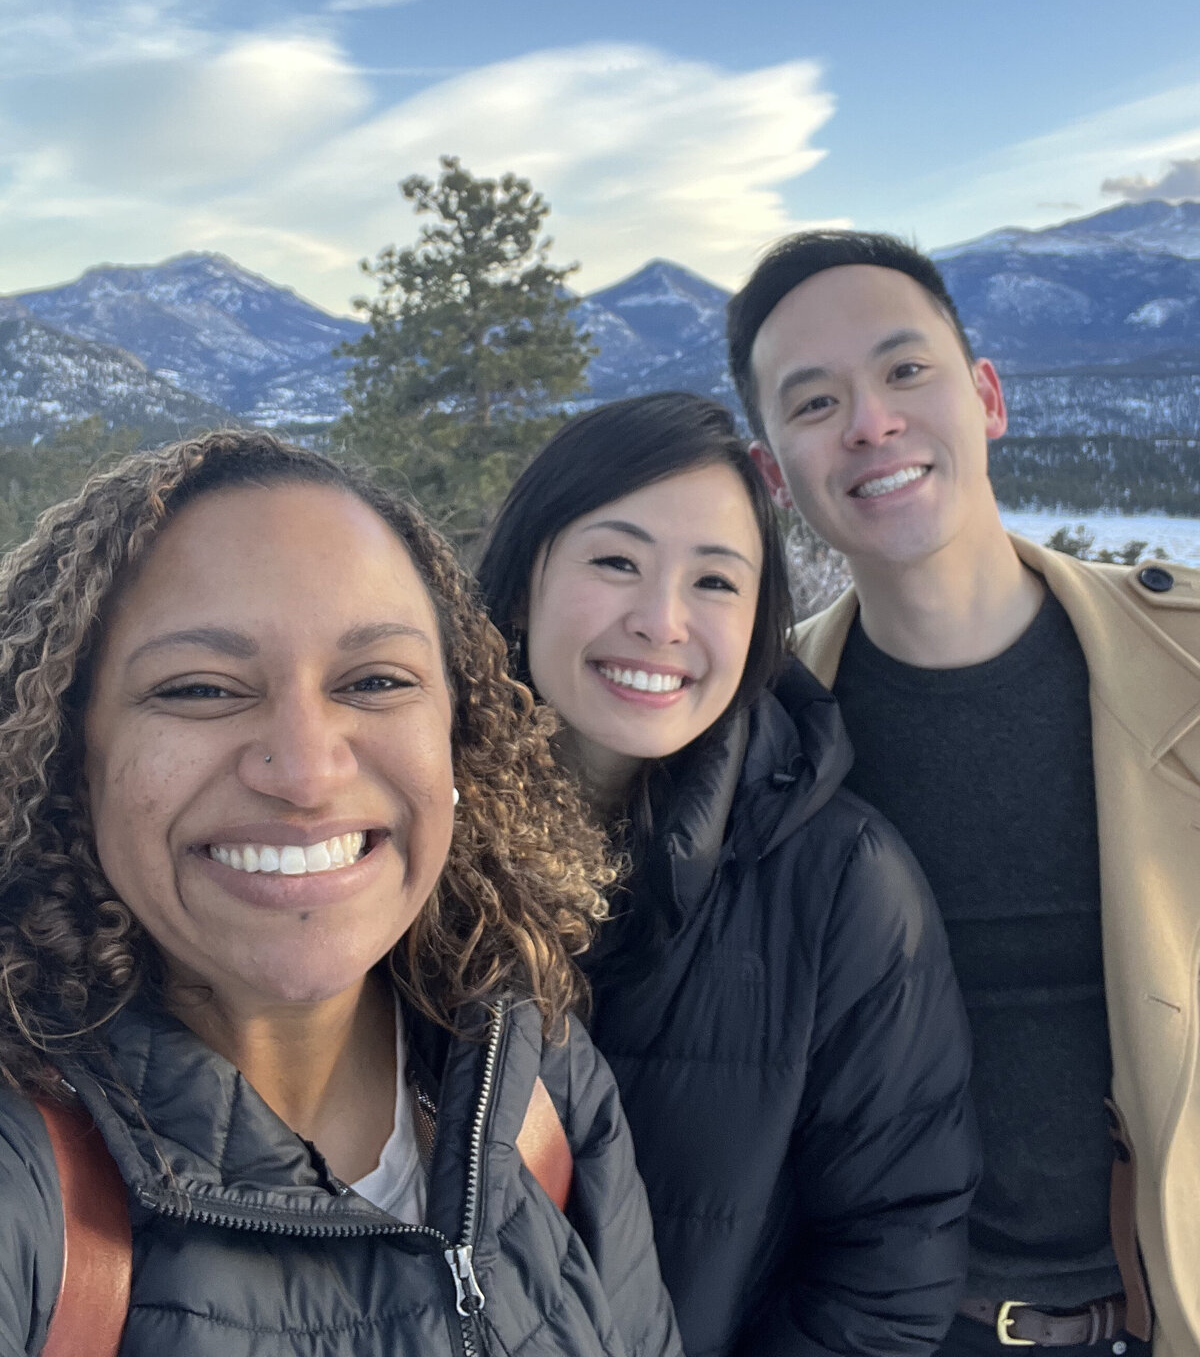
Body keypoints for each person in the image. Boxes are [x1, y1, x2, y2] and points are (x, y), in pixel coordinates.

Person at [0, 430, 682, 1357]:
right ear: (74, 759)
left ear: (458, 739)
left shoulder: (532, 1077)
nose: (307, 771)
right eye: (201, 688)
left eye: (374, 681)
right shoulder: (30, 1185)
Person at [726, 230, 1200, 1357]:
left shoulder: (1189, 662)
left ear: (986, 396)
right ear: (773, 474)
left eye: (904, 371)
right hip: (905, 1327)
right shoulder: (758, 741)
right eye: (814, 401)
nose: (871, 423)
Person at [476, 391, 978, 1357]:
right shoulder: (400, 845)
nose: (662, 622)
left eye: (715, 583)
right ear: (523, 581)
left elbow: (892, 1253)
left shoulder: (839, 885)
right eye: (616, 561)